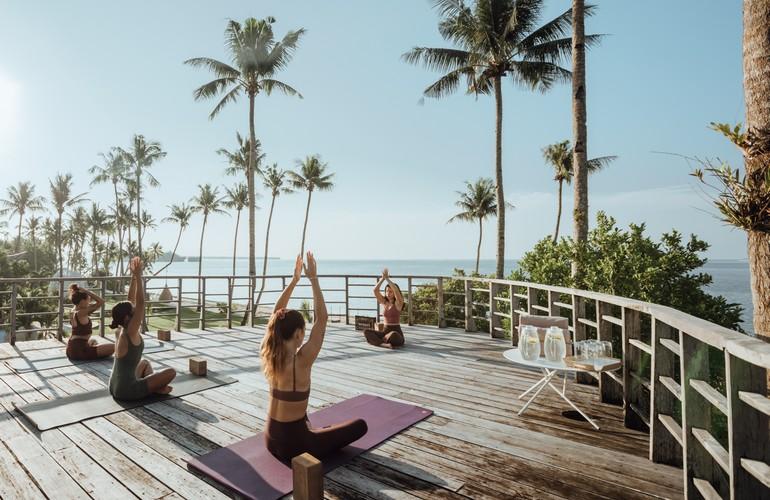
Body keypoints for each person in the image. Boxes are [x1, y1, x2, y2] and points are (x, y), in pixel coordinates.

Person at [261, 252, 368, 462]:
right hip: (295, 445)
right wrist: (313, 279)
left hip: (270, 438)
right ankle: (314, 433)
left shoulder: (270, 353)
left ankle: (311, 429)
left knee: (306, 420)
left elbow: (275, 315)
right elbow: (322, 319)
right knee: (360, 425)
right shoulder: (301, 361)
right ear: (300, 334)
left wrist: (294, 281)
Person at [108, 257, 176, 400]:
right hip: (127, 390)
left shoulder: (121, 329)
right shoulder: (131, 331)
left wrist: (133, 277)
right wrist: (139, 276)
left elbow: (131, 301)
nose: (136, 312)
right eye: (133, 311)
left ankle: (156, 387)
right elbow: (140, 303)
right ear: (127, 318)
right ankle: (156, 389)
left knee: (144, 363)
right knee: (171, 372)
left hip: (115, 386)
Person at [66, 284, 115, 360]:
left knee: (93, 341)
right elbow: (101, 301)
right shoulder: (81, 313)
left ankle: (91, 349)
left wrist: (83, 293)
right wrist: (86, 291)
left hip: (72, 349)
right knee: (114, 347)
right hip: (80, 351)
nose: (89, 302)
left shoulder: (74, 310)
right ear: (82, 301)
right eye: (88, 300)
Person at [363, 268, 405, 348]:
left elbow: (396, 291)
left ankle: (379, 341)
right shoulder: (384, 302)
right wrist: (382, 278)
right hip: (385, 332)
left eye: (390, 291)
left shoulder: (398, 303)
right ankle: (383, 344)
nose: (388, 293)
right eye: (387, 291)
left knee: (393, 334)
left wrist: (387, 279)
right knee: (366, 332)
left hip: (396, 333)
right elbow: (375, 290)